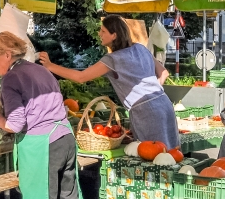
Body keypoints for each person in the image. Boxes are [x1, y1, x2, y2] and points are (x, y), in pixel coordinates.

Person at [0, 32, 90, 199]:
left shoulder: (11, 78)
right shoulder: (40, 70)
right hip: (65, 137)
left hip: (44, 146)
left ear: (7, 55)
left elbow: (16, 124)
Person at [39, 15, 180, 149]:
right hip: (164, 103)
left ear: (114, 35)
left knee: (152, 159)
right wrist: (151, 95)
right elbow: (164, 72)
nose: (99, 33)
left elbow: (81, 77)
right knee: (170, 155)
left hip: (145, 112)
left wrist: (50, 66)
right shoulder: (141, 48)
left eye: (103, 31)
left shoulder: (112, 59)